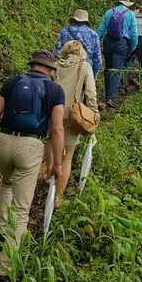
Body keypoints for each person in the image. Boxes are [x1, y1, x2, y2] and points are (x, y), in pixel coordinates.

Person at [0, 50, 65, 282]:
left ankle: (0, 232)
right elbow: (56, 130)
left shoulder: (13, 82)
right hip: (30, 146)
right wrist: (56, 163)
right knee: (22, 210)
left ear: (32, 65)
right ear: (50, 69)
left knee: (6, 183)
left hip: (3, 142)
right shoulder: (55, 91)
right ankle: (6, 271)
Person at [45, 40, 98, 208]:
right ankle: (57, 197)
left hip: (52, 113)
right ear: (81, 52)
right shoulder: (85, 67)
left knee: (51, 144)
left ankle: (48, 176)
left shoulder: (54, 66)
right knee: (67, 157)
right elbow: (90, 93)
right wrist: (94, 113)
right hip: (72, 116)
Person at [97, 0, 138, 107]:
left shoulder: (109, 12)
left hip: (108, 42)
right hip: (121, 44)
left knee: (108, 69)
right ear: (127, 3)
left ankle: (107, 96)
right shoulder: (130, 14)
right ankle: (111, 98)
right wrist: (132, 47)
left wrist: (97, 43)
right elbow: (134, 34)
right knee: (116, 70)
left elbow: (101, 29)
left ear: (118, 2)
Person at [54, 9, 102, 77]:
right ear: (86, 21)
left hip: (65, 69)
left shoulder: (65, 31)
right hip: (84, 70)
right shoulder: (94, 35)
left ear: (74, 20)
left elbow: (56, 52)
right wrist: (93, 76)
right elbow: (97, 60)